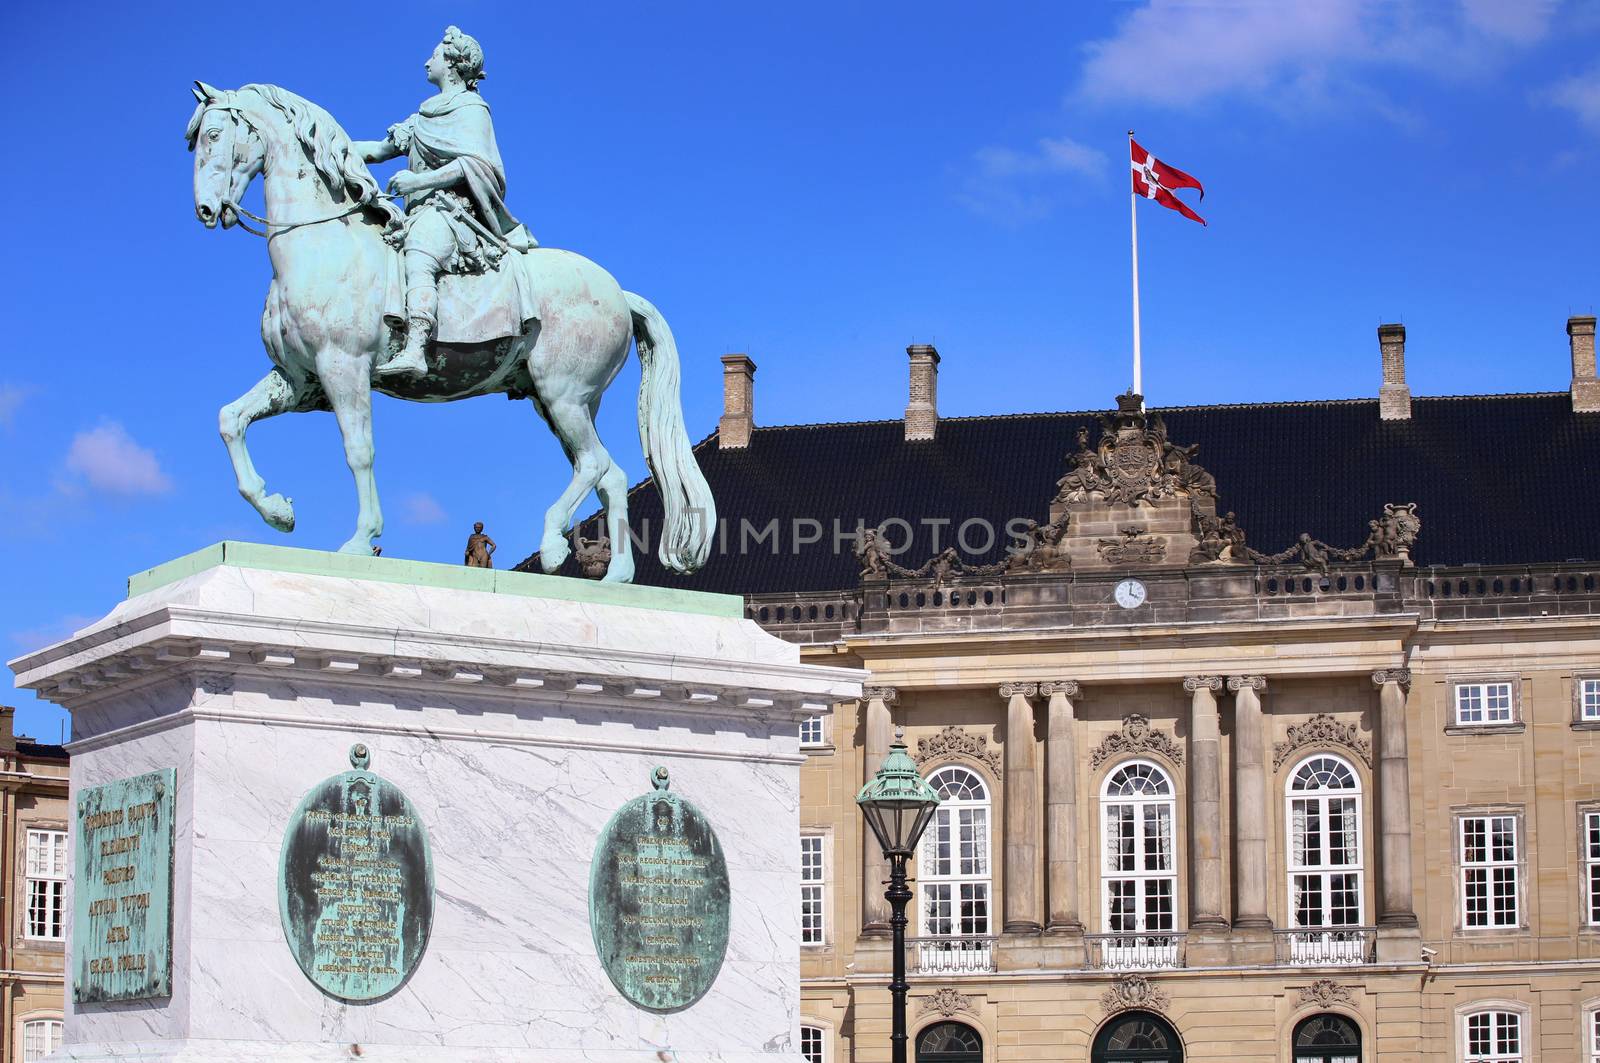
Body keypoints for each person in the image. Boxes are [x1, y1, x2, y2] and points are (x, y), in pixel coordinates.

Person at [353, 27, 535, 379]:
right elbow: (377, 150)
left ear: (451, 64)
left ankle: (415, 347)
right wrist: (328, 144)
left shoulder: (472, 109)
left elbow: (477, 165)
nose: (427, 62)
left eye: (434, 56)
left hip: (452, 214)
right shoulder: (421, 118)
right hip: (417, 212)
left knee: (421, 247)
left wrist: (419, 180)